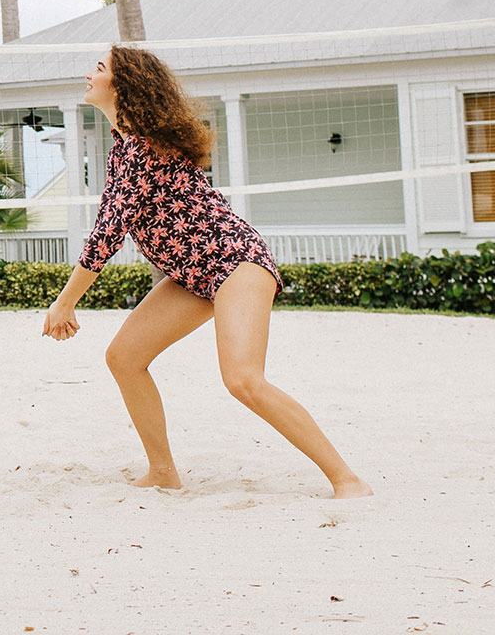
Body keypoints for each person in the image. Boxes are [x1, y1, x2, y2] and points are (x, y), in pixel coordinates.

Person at [43, 47, 371, 499]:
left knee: (243, 380)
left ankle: (347, 479)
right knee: (124, 358)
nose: (88, 75)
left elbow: (105, 237)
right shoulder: (126, 145)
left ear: (124, 85)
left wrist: (64, 303)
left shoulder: (142, 147)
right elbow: (111, 225)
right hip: (193, 277)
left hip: (236, 263)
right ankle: (162, 472)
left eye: (98, 69)